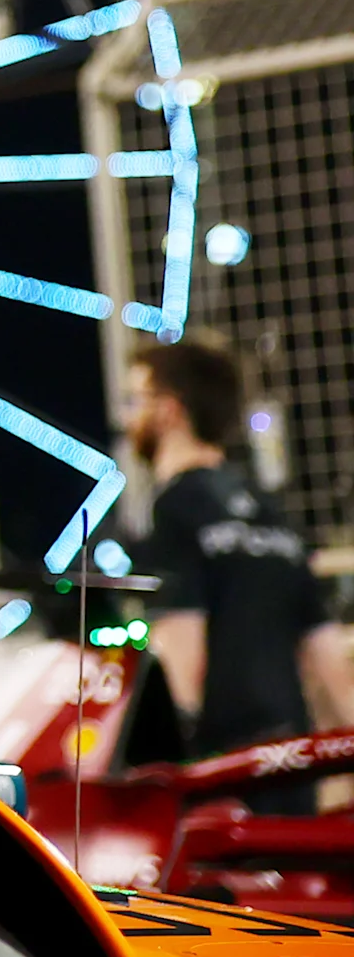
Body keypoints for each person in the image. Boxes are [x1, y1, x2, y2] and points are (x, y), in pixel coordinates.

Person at [124, 339, 354, 810]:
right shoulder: (272, 515)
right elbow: (328, 656)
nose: (126, 418)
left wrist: (173, 772)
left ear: (168, 410)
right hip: (289, 762)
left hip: (221, 773)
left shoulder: (173, 510)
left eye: (133, 401)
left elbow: (182, 657)